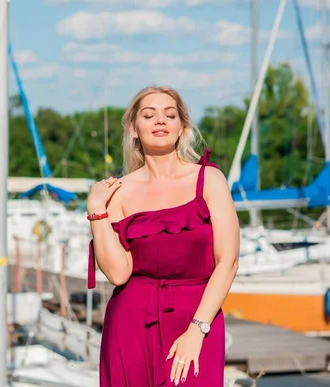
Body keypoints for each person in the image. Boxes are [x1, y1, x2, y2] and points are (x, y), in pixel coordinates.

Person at [86, 85, 240, 386]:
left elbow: (228, 261)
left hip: (197, 318)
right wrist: (96, 210)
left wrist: (197, 329)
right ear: (134, 128)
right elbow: (118, 274)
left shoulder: (209, 180)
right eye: (149, 114)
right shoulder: (117, 192)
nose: (160, 121)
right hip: (129, 325)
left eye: (170, 115)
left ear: (182, 127)